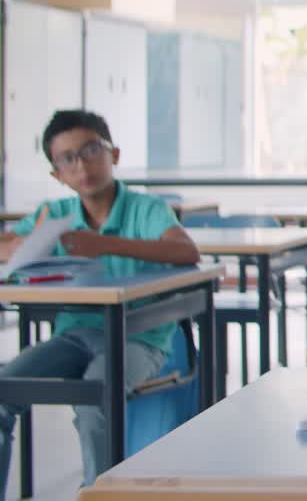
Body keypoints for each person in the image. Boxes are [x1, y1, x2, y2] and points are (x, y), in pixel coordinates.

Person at [0, 109, 200, 492]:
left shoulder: (147, 208)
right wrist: (22, 244)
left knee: (96, 397)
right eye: (67, 159)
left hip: (140, 336)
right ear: (57, 174)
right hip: (76, 335)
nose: (82, 165)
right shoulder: (54, 214)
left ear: (114, 154)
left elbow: (185, 251)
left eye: (91, 150)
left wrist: (103, 244)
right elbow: (10, 247)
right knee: (4, 390)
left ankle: (98, 494)